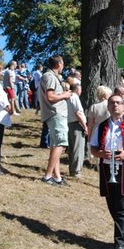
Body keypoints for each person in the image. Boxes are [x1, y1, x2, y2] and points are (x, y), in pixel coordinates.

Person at [90, 94, 124, 249]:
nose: (115, 106)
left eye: (118, 103)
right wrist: (100, 154)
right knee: (112, 205)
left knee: (122, 205)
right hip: (107, 168)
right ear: (108, 106)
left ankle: (118, 242)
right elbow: (93, 147)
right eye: (112, 103)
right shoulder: (101, 126)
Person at [39, 55, 72, 186]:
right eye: (63, 63)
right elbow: (50, 96)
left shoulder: (50, 77)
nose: (63, 66)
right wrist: (65, 95)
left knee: (55, 145)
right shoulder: (50, 77)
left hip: (55, 114)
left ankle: (57, 176)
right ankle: (47, 176)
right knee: (60, 144)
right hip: (56, 114)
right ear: (59, 64)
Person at [66, 82, 87, 178]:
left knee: (72, 148)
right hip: (76, 124)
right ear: (78, 89)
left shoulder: (68, 97)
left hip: (70, 123)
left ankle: (72, 169)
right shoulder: (74, 97)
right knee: (78, 148)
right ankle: (76, 171)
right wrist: (85, 126)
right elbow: (78, 112)